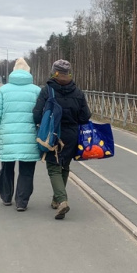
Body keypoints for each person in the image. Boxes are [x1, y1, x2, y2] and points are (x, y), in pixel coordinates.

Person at [33, 59, 91, 220]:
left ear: (54, 72)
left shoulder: (47, 90)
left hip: (53, 135)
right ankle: (55, 200)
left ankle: (62, 200)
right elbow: (85, 117)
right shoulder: (78, 92)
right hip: (72, 135)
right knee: (64, 166)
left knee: (53, 167)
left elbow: (37, 114)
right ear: (69, 73)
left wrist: (40, 125)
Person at [0, 58, 41, 211]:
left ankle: (6, 197)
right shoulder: (36, 91)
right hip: (29, 137)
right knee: (27, 170)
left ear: (13, 72)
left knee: (6, 167)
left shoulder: (4, 90)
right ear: (28, 72)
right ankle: (22, 202)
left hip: (7, 136)